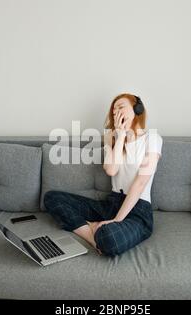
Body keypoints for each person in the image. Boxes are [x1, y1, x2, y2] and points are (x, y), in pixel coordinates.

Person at [44, 93, 163, 256]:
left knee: (110, 239)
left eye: (121, 107)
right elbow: (111, 170)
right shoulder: (112, 139)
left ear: (137, 109)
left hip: (137, 210)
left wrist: (117, 220)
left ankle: (98, 229)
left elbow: (140, 183)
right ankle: (92, 237)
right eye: (114, 112)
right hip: (112, 203)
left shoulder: (153, 138)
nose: (117, 114)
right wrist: (120, 136)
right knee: (52, 198)